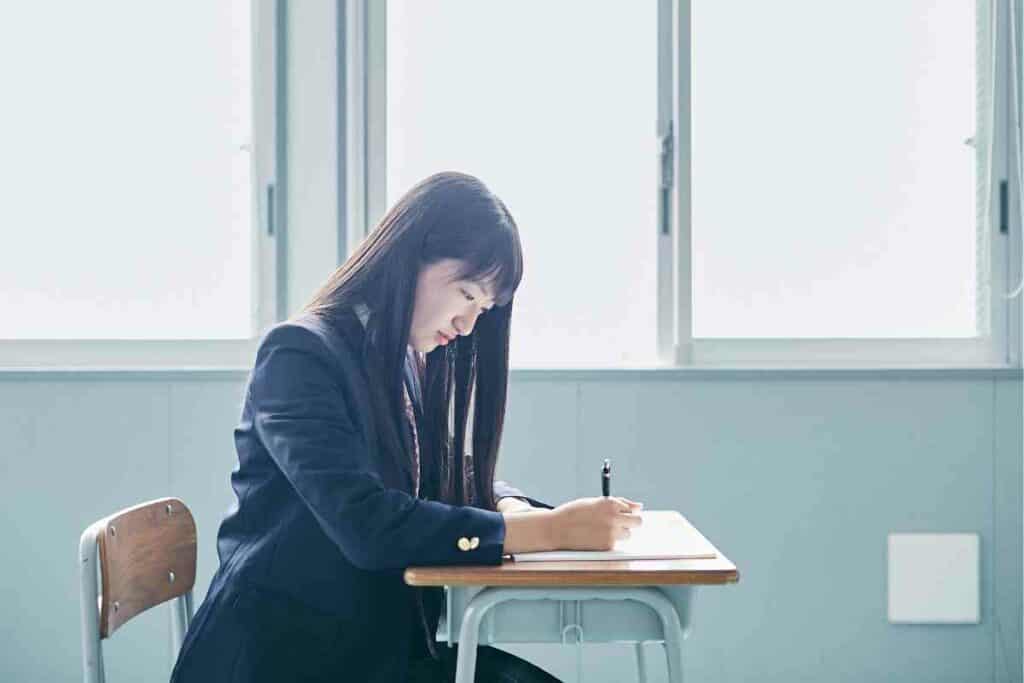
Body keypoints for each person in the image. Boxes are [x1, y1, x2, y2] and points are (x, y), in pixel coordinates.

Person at [169, 171, 644, 682]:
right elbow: (367, 525)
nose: (467, 325)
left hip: (371, 651)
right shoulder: (301, 354)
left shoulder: (398, 360)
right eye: (466, 294)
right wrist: (548, 532)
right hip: (283, 658)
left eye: (482, 310)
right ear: (411, 255)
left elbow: (431, 471)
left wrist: (503, 501)